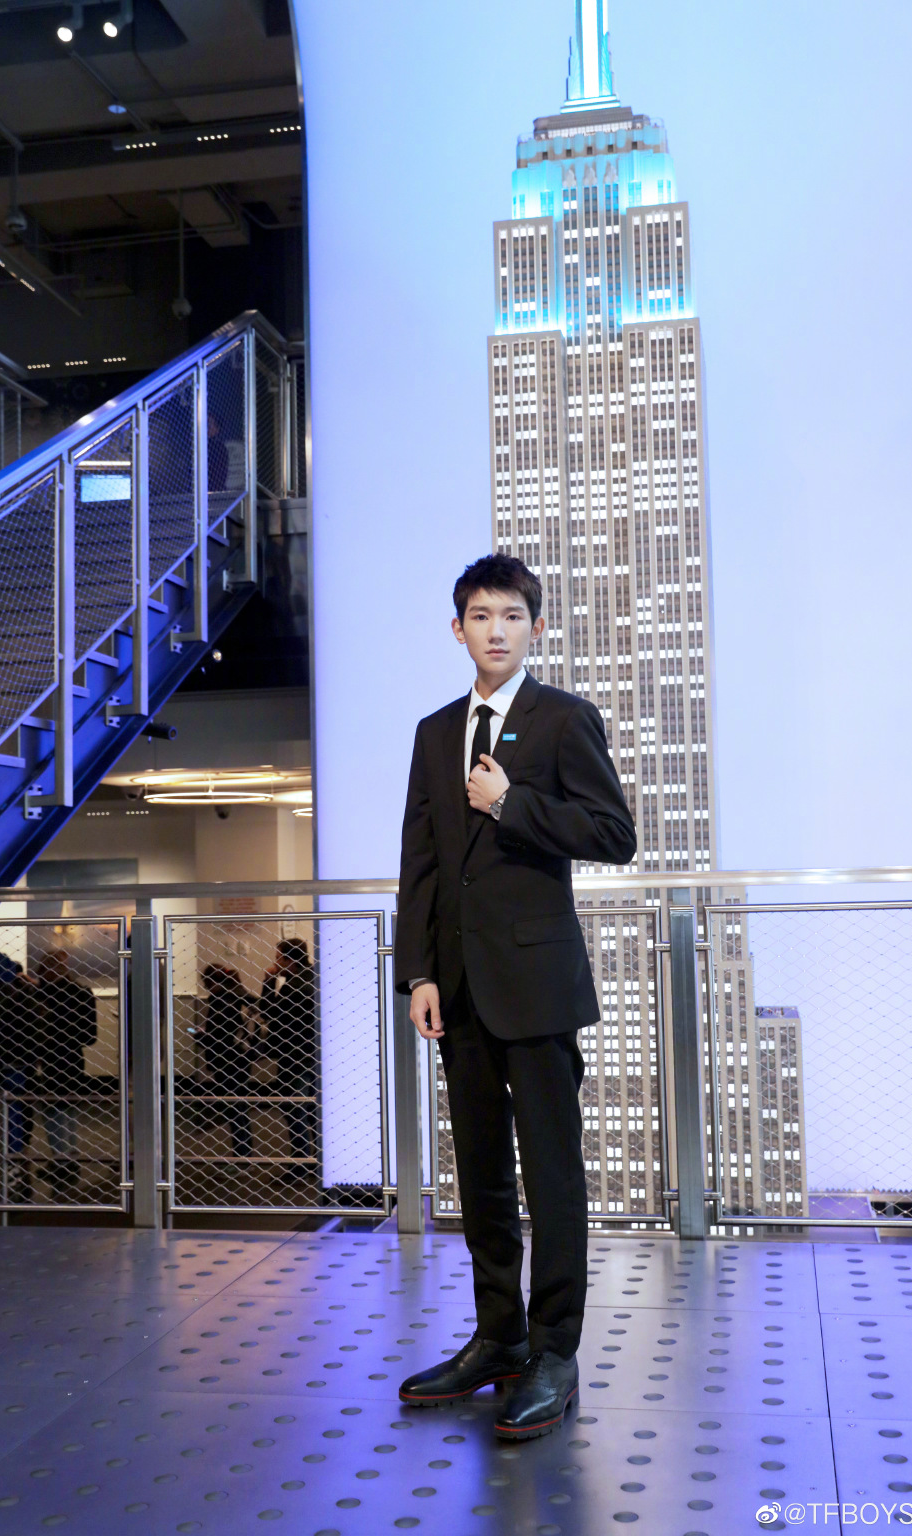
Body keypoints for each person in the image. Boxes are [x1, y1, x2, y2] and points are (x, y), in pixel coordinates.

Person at [394, 553, 636, 1441]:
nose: (495, 631)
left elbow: (614, 834)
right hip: (457, 991)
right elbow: (420, 862)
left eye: (511, 616)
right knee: (483, 1176)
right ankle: (498, 1336)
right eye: (480, 616)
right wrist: (419, 973)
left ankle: (555, 1352)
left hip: (536, 986)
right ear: (457, 629)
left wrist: (511, 803)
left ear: (534, 627)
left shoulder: (564, 719)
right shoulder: (433, 732)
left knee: (552, 1174)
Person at [35, 949, 97, 1197]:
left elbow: (39, 1028)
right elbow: (90, 1036)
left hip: (51, 1058)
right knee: (69, 1108)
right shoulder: (82, 992)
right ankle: (70, 1158)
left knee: (52, 1110)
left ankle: (60, 1160)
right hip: (73, 1057)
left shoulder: (44, 995)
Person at [259, 938, 318, 1183]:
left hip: (293, 1057)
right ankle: (318, 1162)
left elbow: (267, 1011)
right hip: (313, 1054)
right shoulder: (315, 978)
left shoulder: (293, 986)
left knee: (293, 1109)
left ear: (289, 960)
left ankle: (300, 1165)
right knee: (312, 1109)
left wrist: (268, 980)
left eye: (278, 958)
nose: (275, 963)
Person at [200, 965, 256, 1161]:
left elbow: (218, 1034)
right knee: (239, 1107)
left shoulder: (223, 1001)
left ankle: (242, 1157)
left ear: (212, 982)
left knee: (234, 1109)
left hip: (226, 1061)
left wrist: (200, 1036)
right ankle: (244, 1155)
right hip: (240, 1058)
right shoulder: (237, 995)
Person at [0, 954, 40, 1202]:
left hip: (1, 1061)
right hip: (19, 1062)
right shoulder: (24, 995)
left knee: (4, 1114)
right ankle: (12, 1171)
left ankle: (7, 1169)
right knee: (14, 1113)